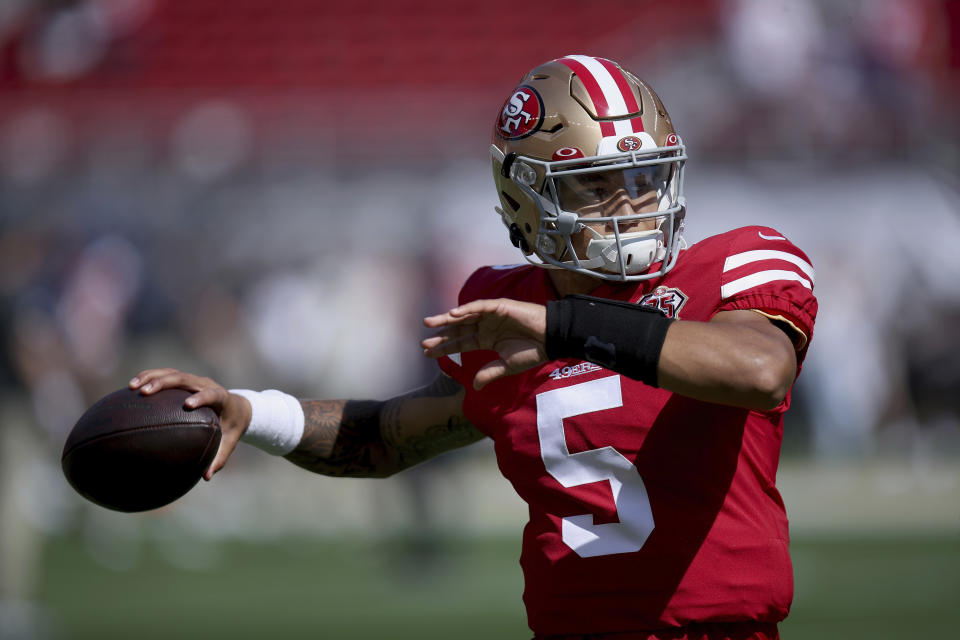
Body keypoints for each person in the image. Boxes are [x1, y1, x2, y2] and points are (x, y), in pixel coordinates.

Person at [130, 55, 817, 640]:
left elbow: (760, 371)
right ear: (528, 198)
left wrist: (563, 327)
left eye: (644, 177)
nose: (633, 204)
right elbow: (385, 438)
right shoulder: (509, 314)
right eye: (598, 185)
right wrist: (254, 412)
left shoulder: (733, 267)